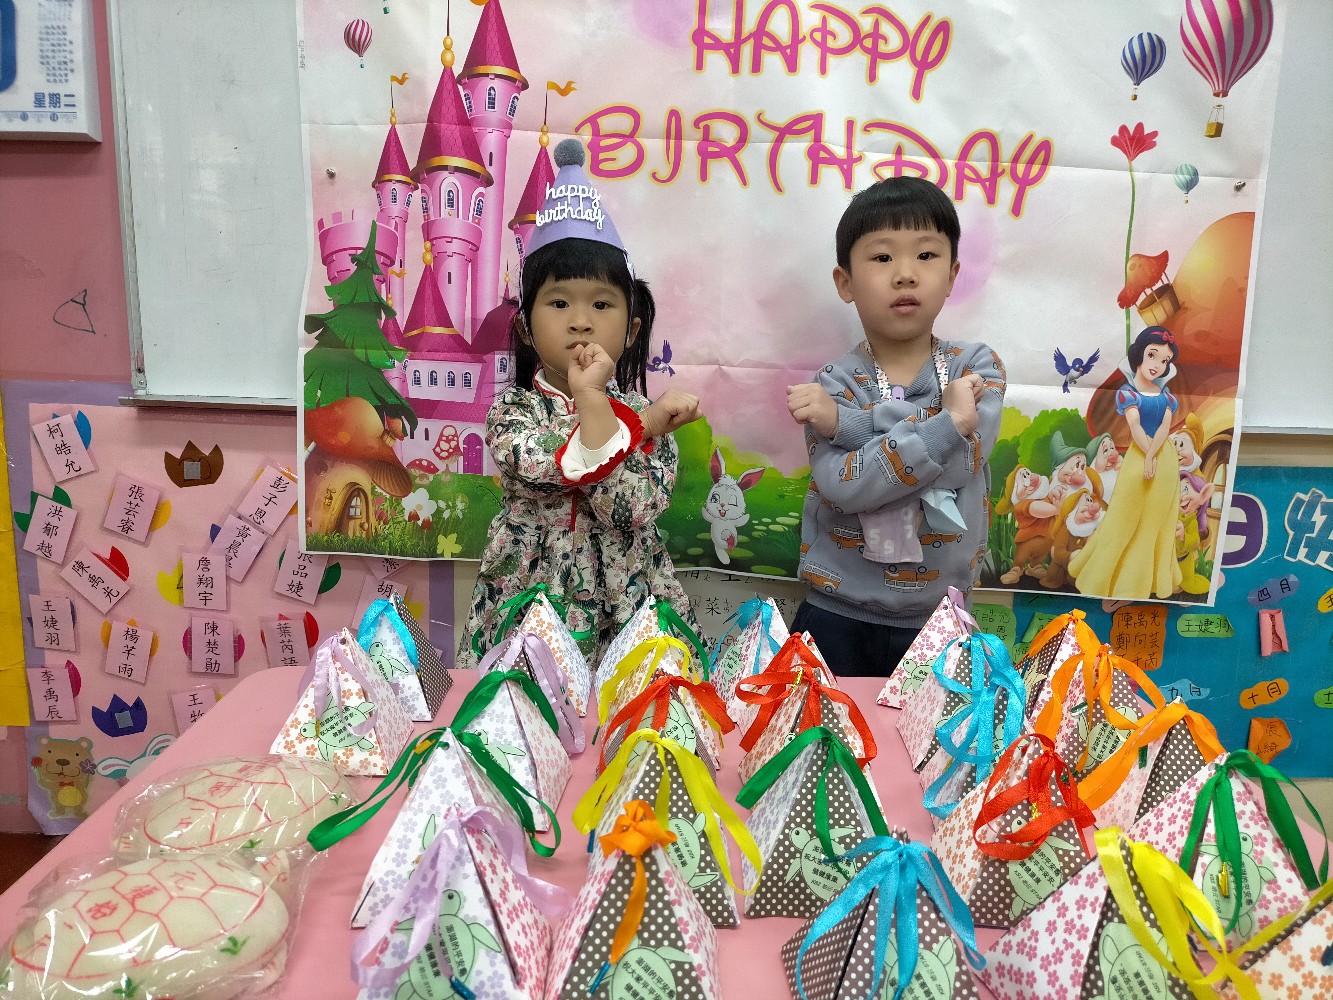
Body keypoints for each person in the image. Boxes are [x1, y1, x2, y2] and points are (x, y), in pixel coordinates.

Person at [456, 139, 703, 667]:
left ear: (631, 330)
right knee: (522, 706)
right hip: (528, 604)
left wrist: (616, 412)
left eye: (602, 304)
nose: (581, 322)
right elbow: (552, 463)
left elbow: (627, 507)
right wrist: (634, 421)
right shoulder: (512, 414)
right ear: (526, 327)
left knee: (628, 707)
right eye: (559, 302)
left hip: (626, 608)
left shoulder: (651, 422)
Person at [786, 176, 1006, 676]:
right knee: (822, 729)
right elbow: (845, 487)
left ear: (952, 275)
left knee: (938, 732)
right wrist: (948, 421)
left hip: (941, 619)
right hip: (834, 614)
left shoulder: (976, 367)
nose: (905, 274)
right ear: (845, 282)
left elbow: (961, 464)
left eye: (926, 255)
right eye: (883, 257)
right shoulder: (834, 382)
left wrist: (847, 425)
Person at [1068, 326, 1182, 599]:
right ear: (1139, 354)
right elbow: (1135, 426)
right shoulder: (1127, 393)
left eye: (1164, 360)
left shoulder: (1167, 396)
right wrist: (1148, 455)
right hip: (1138, 456)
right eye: (1152, 355)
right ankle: (1106, 577)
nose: (1157, 364)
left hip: (1164, 459)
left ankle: (1147, 581)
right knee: (1124, 515)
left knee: (1156, 519)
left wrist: (1153, 456)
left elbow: (1165, 427)